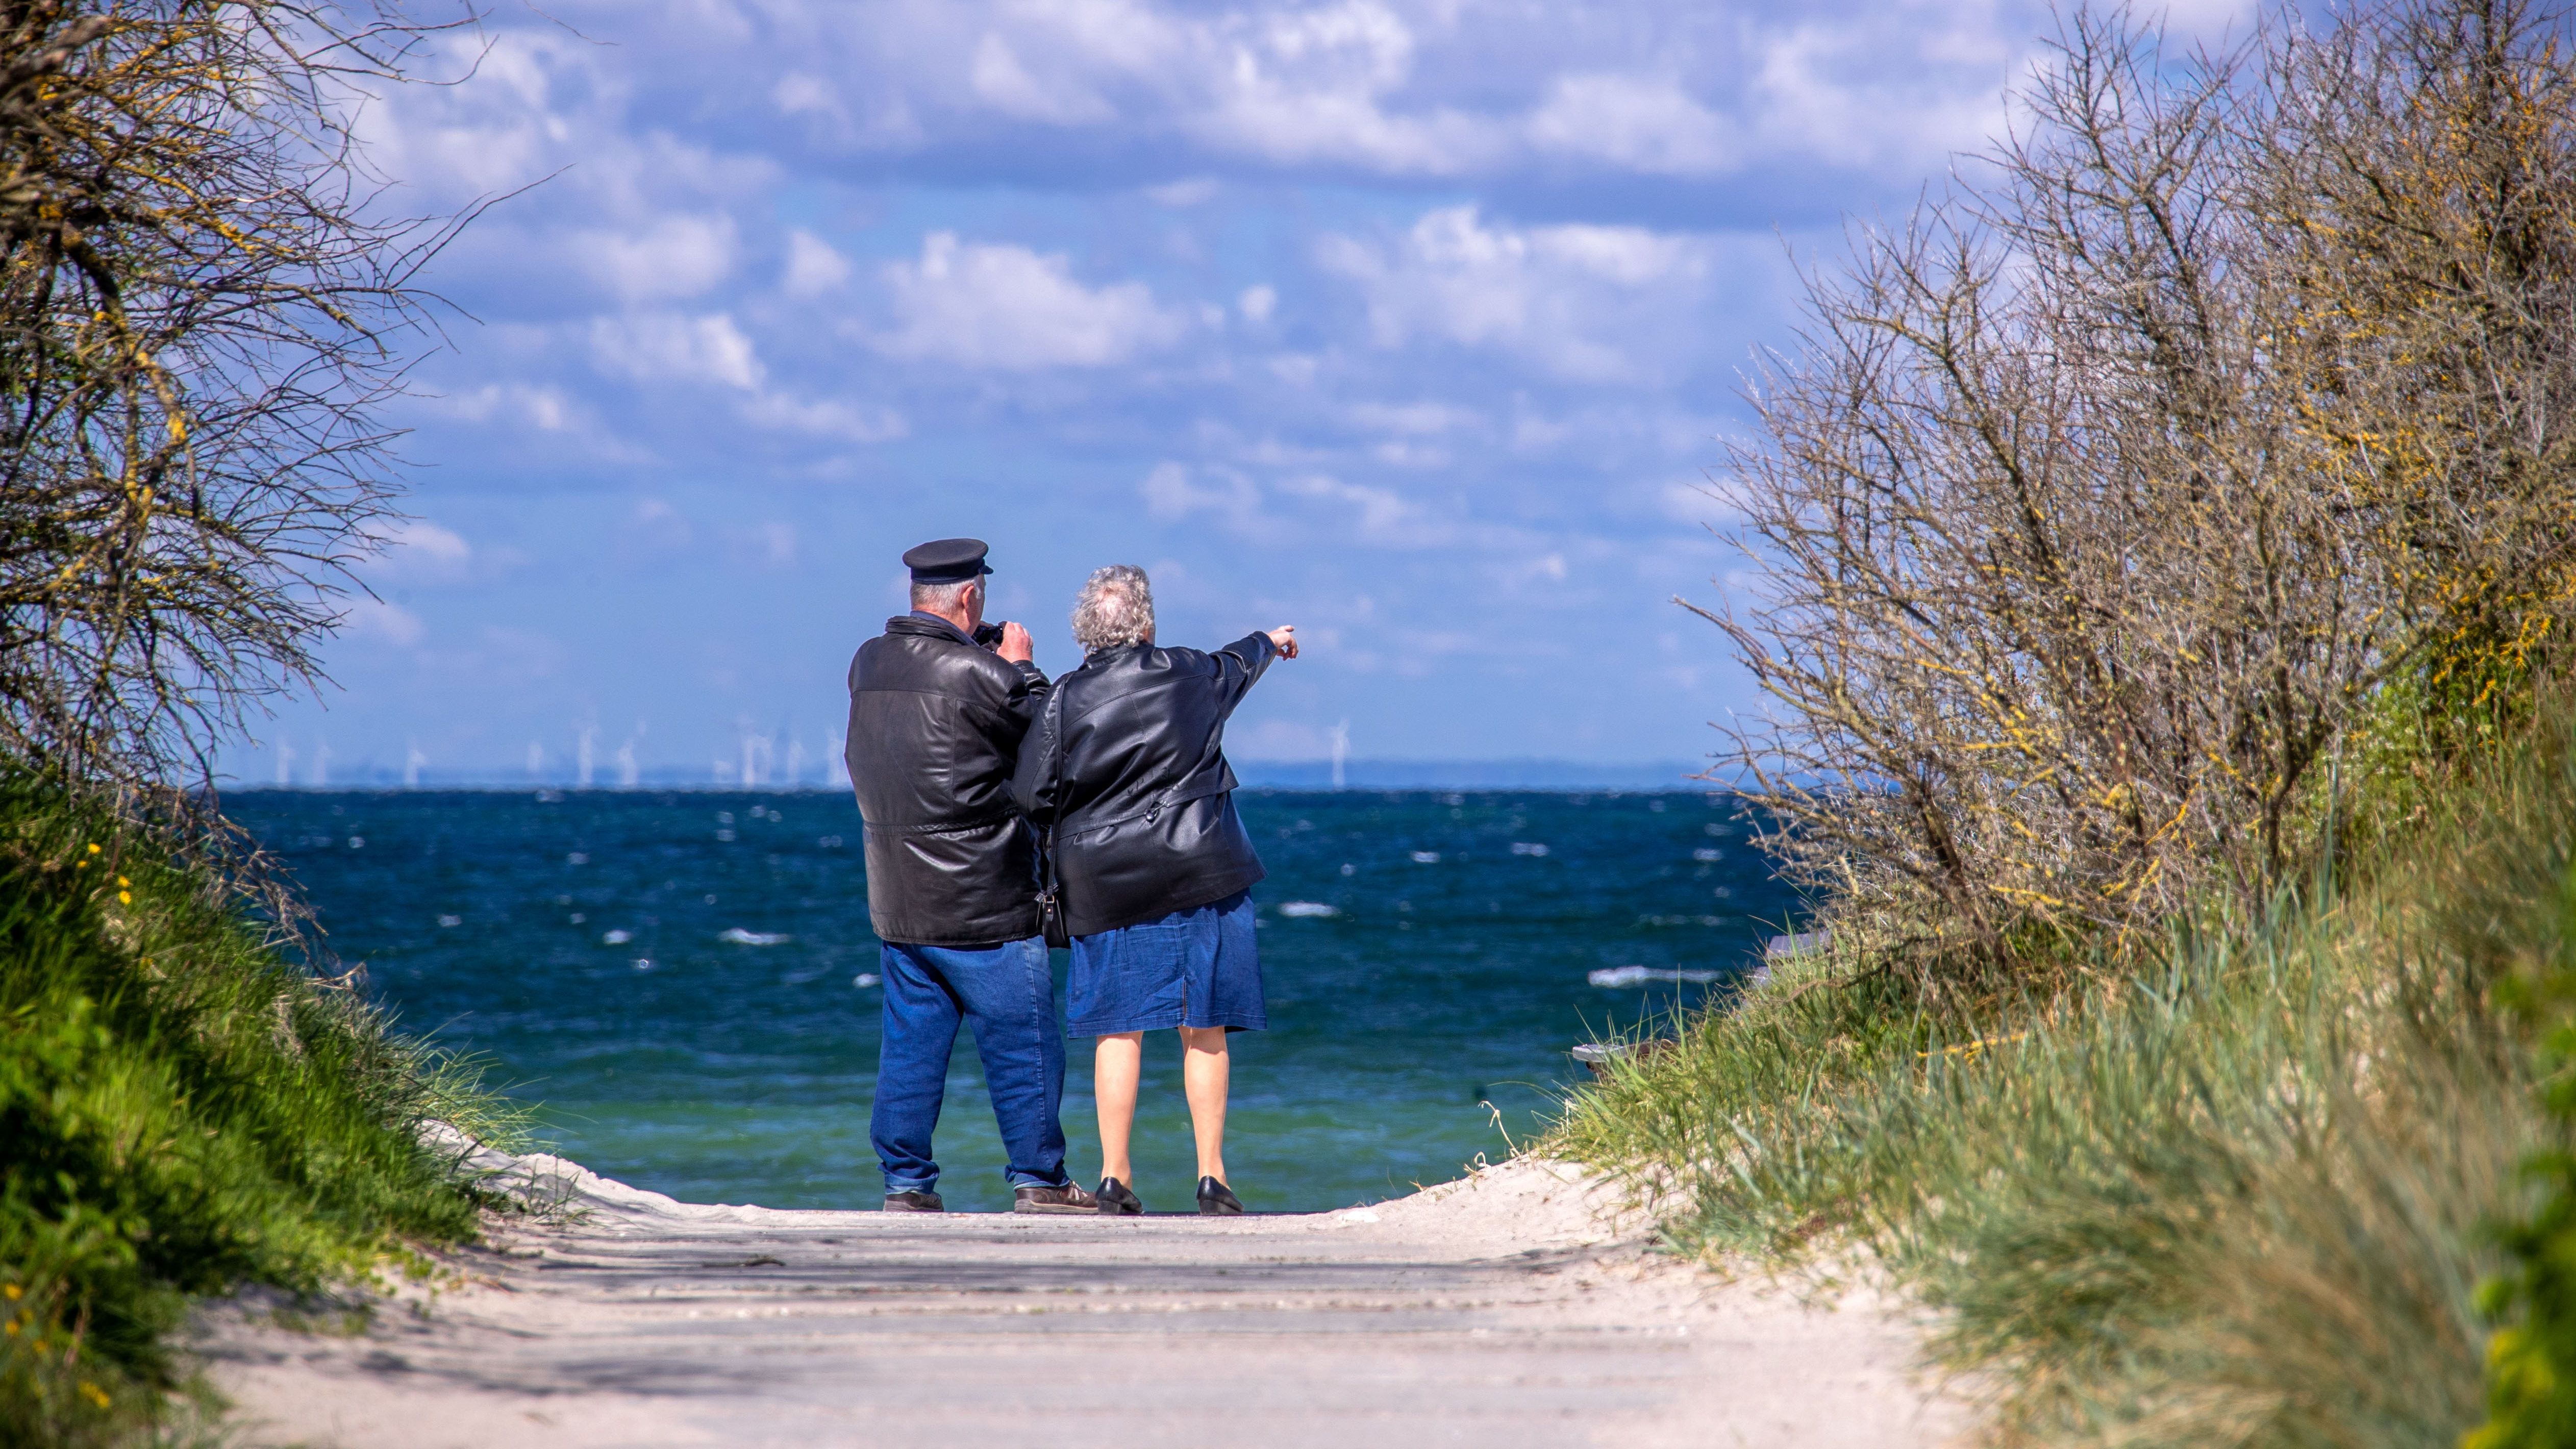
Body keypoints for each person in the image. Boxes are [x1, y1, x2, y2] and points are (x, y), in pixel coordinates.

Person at [1013, 564, 1297, 1216]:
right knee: (1206, 1027)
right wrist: (1271, 639)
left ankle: (1114, 1176)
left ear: (1087, 629)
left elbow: (1031, 793)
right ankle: (1211, 1175)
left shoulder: (1064, 699)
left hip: (1106, 884)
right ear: (1145, 624)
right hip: (1204, 869)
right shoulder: (1190, 670)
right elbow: (1239, 663)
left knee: (1120, 1029)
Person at [843, 538, 1095, 1214]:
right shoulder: (983, 676)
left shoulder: (868, 664)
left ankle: (905, 1184)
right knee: (1024, 1048)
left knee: (910, 1051)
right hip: (985, 898)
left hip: (899, 898)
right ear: (970, 597)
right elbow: (1052, 738)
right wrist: (1022, 667)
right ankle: (1039, 1180)